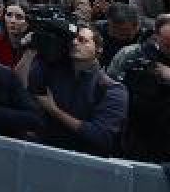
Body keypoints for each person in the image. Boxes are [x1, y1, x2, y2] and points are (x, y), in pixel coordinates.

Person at [106, 14, 170, 162]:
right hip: (136, 132)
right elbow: (111, 93)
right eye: (168, 46)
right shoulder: (129, 55)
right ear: (156, 37)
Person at [26, 24, 128, 157]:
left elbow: (102, 137)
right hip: (46, 152)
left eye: (82, 40)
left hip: (86, 161)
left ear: (99, 49)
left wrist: (55, 111)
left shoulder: (113, 89)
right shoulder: (51, 70)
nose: (75, 42)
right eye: (73, 39)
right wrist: (34, 50)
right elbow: (25, 89)